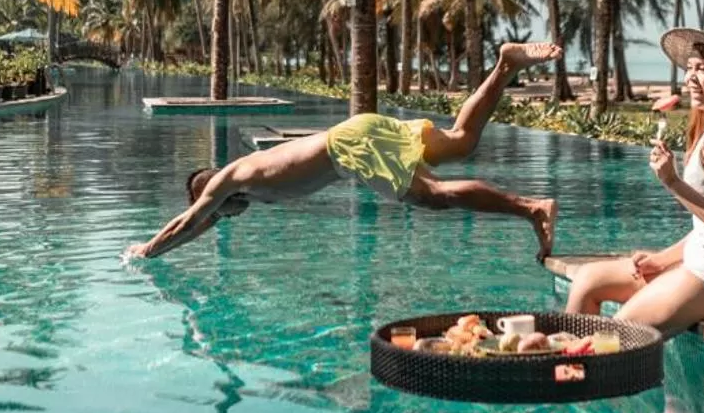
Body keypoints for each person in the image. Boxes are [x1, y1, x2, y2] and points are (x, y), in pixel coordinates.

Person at [124, 42, 562, 261]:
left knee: (435, 196)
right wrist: (166, 251)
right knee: (463, 138)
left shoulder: (226, 179)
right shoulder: (245, 185)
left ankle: (531, 209)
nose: (215, 214)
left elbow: (190, 219)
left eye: (212, 206)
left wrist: (146, 249)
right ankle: (506, 63)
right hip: (358, 131)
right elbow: (201, 225)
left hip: (351, 146)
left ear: (210, 188)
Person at [564, 19, 704, 335]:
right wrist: (662, 261)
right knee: (588, 281)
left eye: (701, 68)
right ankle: (572, 371)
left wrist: (672, 182)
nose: (690, 77)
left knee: (622, 331)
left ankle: (581, 372)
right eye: (690, 68)